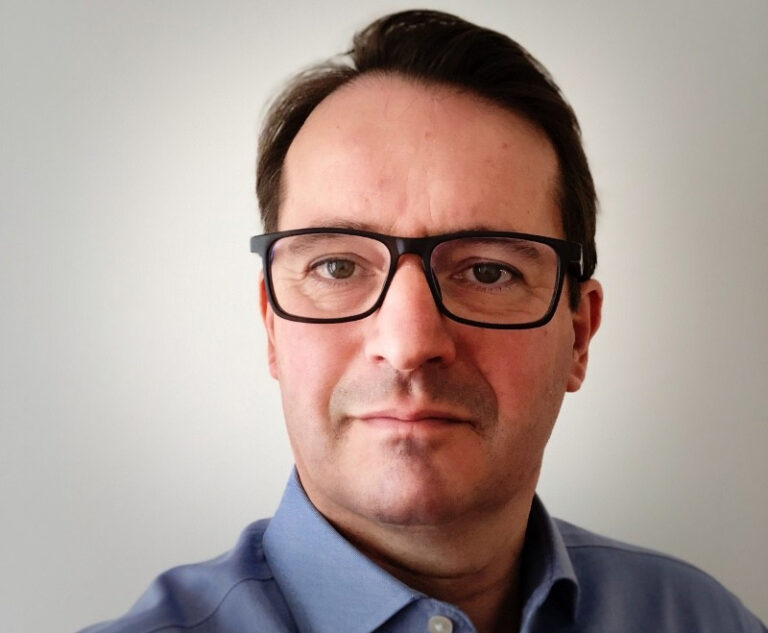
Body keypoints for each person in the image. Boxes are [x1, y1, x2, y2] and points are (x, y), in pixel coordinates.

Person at [80, 9, 766, 633]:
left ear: (579, 335)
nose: (409, 344)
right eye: (338, 267)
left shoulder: (704, 621)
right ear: (272, 330)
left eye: (488, 271)